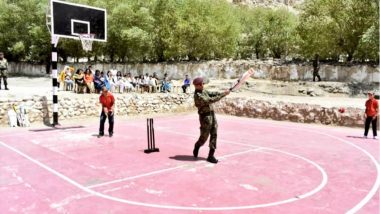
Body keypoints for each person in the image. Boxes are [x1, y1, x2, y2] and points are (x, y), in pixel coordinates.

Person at [192, 77, 231, 164]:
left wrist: (223, 92)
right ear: (197, 86)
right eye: (202, 84)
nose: (203, 85)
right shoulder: (198, 96)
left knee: (214, 133)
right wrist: (223, 95)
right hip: (205, 117)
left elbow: (212, 94)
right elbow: (210, 100)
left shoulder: (204, 91)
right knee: (204, 137)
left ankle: (210, 155)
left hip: (212, 114)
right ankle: (197, 145)